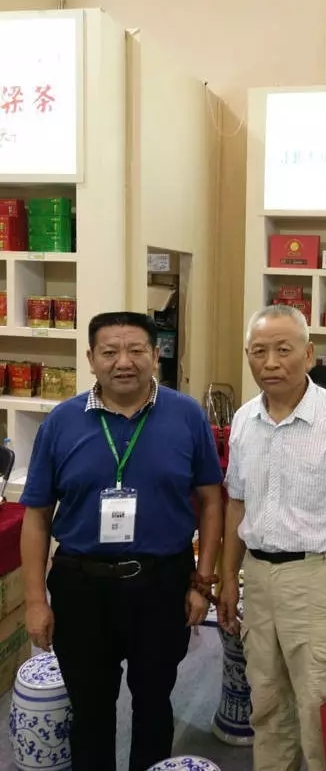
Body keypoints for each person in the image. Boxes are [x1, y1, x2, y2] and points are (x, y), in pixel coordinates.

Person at [20, 311, 224, 771]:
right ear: (91, 358)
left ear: (155, 356)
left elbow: (211, 500)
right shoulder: (61, 422)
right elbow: (36, 516)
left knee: (154, 701)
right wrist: (35, 600)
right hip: (81, 585)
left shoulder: (186, 416)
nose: (123, 362)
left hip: (163, 583)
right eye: (110, 352)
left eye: (136, 350)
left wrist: (202, 581)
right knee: (90, 707)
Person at [217, 304, 326, 771]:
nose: (270, 362)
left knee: (321, 709)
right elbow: (237, 504)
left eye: (283, 350)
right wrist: (227, 578)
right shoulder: (244, 420)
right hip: (258, 579)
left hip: (319, 580)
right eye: (259, 352)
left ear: (309, 353)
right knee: (267, 703)